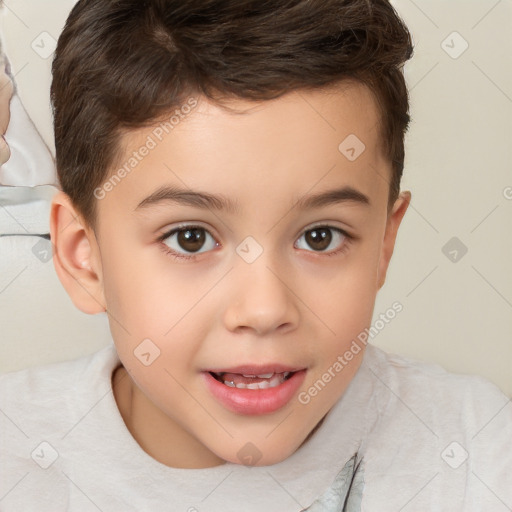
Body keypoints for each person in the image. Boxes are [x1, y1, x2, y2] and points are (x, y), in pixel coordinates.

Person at [0, 1, 510, 510]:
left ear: (383, 244)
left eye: (320, 237)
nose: (265, 310)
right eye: (191, 239)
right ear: (83, 256)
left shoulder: (476, 454)